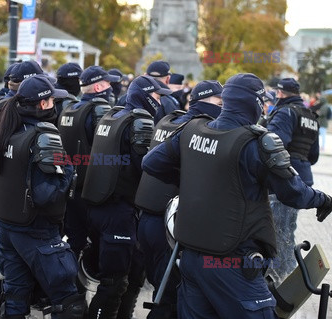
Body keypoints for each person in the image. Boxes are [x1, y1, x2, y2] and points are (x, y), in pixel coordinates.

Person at [142, 73, 332, 318]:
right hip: (233, 263)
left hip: (191, 257)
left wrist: (196, 179)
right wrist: (323, 200)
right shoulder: (257, 142)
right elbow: (293, 193)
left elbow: (151, 163)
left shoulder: (191, 130)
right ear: (253, 103)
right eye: (262, 102)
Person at [0, 75, 86, 319]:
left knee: (15, 296)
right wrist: (70, 171)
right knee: (68, 301)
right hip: (37, 231)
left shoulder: (6, 127)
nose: (55, 104)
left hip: (8, 228)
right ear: (43, 104)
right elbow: (46, 195)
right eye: (53, 100)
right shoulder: (45, 136)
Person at [135, 80, 223, 319]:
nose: (222, 107)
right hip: (168, 227)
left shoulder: (169, 119)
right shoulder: (197, 129)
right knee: (170, 300)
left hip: (146, 220)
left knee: (160, 292)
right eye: (219, 102)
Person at [80, 75, 164, 319]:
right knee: (114, 283)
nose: (159, 101)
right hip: (118, 211)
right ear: (146, 96)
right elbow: (146, 167)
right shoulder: (140, 121)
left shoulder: (112, 115)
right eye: (157, 96)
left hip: (99, 207)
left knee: (124, 278)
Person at [58, 66, 120, 258]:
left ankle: (70, 282)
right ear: (98, 87)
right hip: (92, 191)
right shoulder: (100, 110)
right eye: (108, 83)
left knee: (75, 242)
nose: (111, 87)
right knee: (96, 245)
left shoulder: (68, 108)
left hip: (68, 187)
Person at [266, 78, 320, 283]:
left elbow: (273, 146)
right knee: (286, 229)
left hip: (284, 180)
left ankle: (278, 279)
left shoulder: (285, 113)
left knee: (278, 232)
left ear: (279, 93)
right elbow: (313, 155)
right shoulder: (311, 116)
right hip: (303, 179)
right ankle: (285, 274)